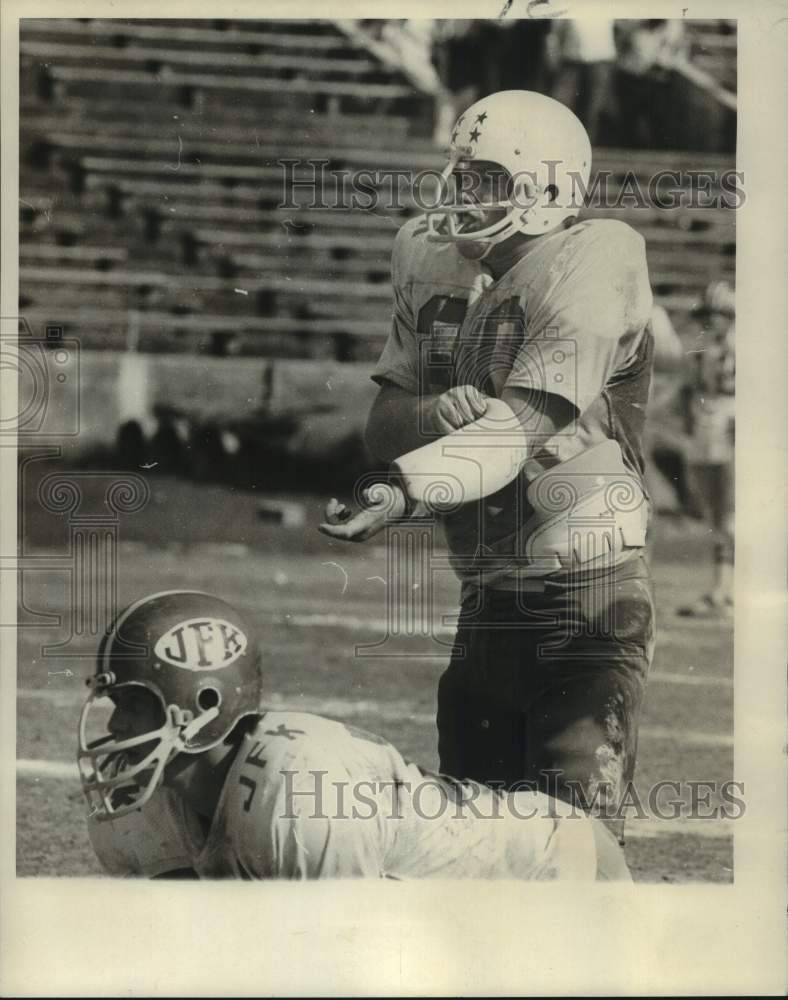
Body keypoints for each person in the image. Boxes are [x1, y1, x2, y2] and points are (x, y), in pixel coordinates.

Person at [320, 91, 656, 844]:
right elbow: (384, 423)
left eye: (489, 178)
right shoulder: (430, 257)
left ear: (548, 188)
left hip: (587, 600)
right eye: (463, 174)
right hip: (487, 598)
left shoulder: (593, 257)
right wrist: (429, 418)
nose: (464, 194)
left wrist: (403, 490)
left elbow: (516, 432)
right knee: (475, 852)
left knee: (574, 846)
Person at [78, 590, 631, 881]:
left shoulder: (293, 789)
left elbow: (356, 962)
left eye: (133, 703)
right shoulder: (150, 804)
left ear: (202, 703)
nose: (116, 726)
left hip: (560, 880)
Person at [677, 280, 735, 617]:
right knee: (715, 515)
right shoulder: (702, 348)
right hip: (705, 425)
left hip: (729, 422)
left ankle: (727, 589)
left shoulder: (741, 346)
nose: (710, 320)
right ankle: (721, 588)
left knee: (731, 514)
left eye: (717, 314)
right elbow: (688, 390)